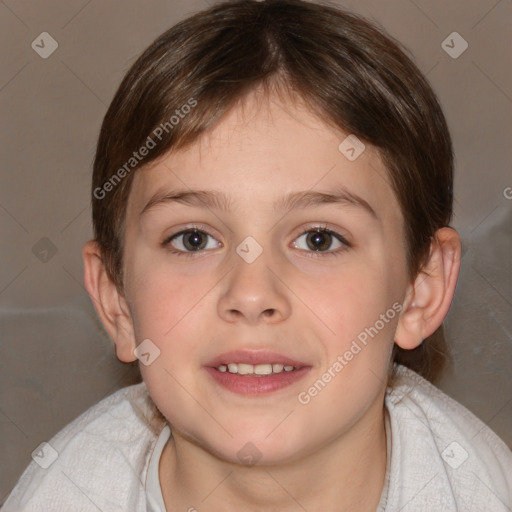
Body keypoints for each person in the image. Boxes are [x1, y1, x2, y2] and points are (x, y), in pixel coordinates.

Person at [3, 0, 511, 510]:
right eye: (194, 239)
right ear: (117, 301)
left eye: (319, 239)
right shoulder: (63, 494)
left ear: (421, 288)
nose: (251, 295)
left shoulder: (481, 492)